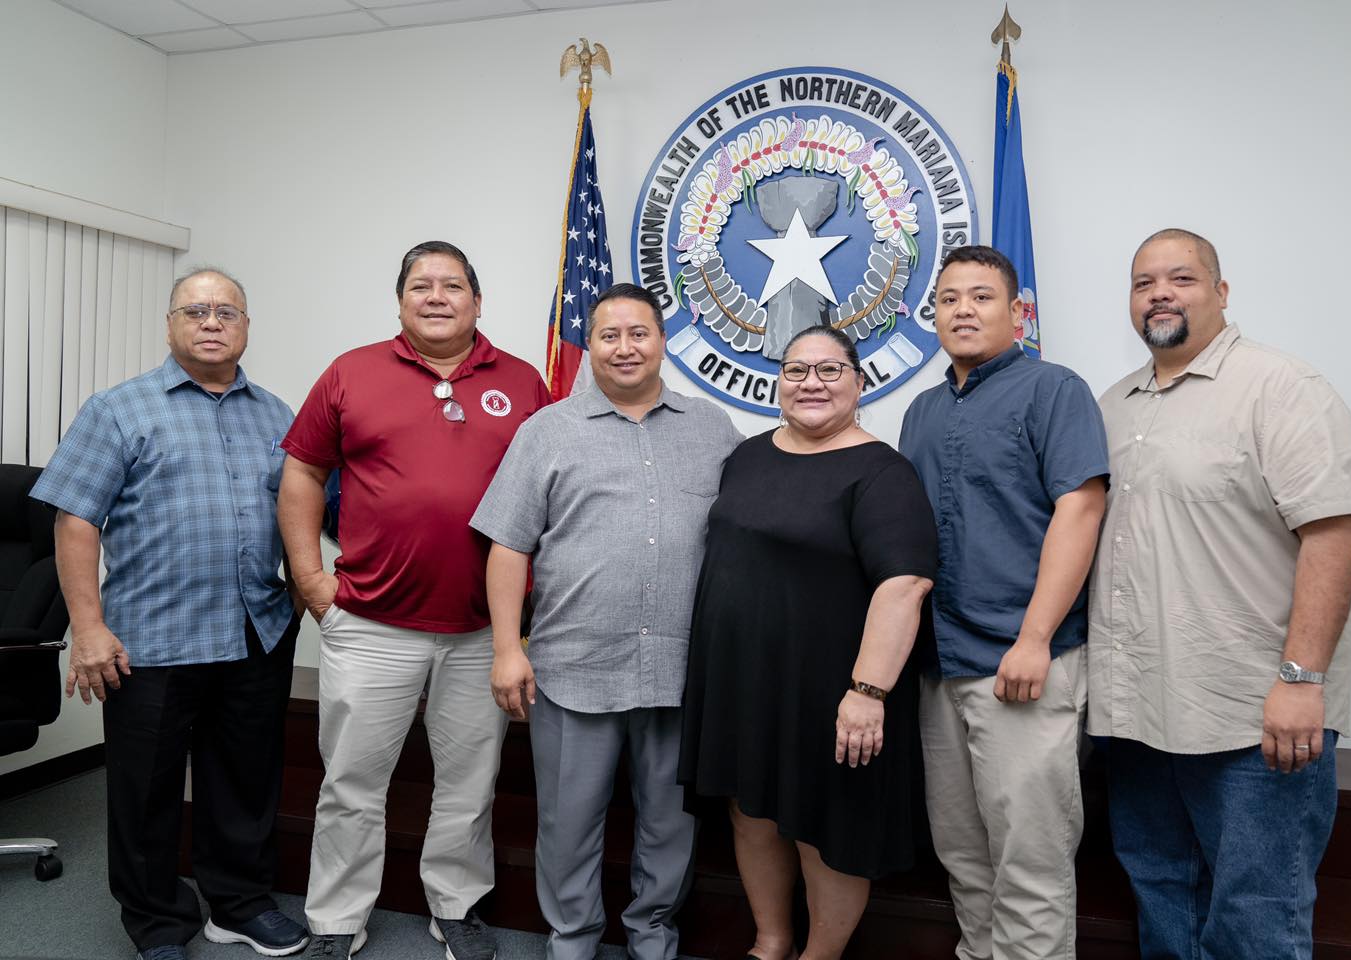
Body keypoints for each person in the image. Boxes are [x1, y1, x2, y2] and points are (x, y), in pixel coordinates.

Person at [1090, 228, 1351, 958]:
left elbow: (1335, 533)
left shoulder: (1281, 388)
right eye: (1143, 282)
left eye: (1182, 279)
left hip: (1251, 719)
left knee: (1256, 919)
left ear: (1221, 294)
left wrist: (1301, 679)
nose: (1160, 293)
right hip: (1138, 713)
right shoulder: (1112, 406)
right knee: (1162, 897)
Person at [278, 241, 548, 960]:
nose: (436, 296)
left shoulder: (522, 382)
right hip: (369, 622)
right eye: (420, 285)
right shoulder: (350, 372)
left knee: (469, 782)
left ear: (478, 300)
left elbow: (549, 496)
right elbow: (303, 472)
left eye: (452, 285)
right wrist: (312, 583)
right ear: (400, 301)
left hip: (480, 632)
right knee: (351, 783)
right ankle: (336, 918)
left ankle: (455, 907)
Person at [31, 268, 307, 960]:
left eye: (226, 311)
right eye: (196, 310)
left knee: (244, 783)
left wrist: (305, 582)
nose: (211, 321)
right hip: (149, 639)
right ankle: (156, 921)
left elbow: (306, 510)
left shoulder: (280, 415)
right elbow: (74, 523)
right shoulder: (118, 410)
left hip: (254, 632)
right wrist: (88, 629)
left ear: (246, 326)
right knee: (146, 791)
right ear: (170, 324)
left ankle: (240, 903)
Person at [472, 283, 741, 960]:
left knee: (671, 825)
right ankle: (574, 937)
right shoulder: (546, 431)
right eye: (609, 335)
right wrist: (508, 649)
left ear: (661, 340)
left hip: (681, 672)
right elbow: (507, 545)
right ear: (588, 345)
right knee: (568, 823)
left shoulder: (711, 429)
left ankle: (653, 933)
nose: (625, 347)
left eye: (639, 333)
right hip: (573, 666)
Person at [679, 324, 937, 960]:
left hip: (834, 692)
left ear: (858, 381)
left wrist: (867, 691)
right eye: (796, 371)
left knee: (826, 830)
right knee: (752, 812)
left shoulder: (882, 471)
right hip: (746, 682)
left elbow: (904, 586)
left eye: (829, 371)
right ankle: (771, 943)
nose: (810, 384)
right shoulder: (748, 455)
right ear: (778, 383)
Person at [899, 245, 1109, 960]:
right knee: (963, 855)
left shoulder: (1055, 391)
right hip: (940, 664)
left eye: (982, 296)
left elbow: (1080, 512)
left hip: (1021, 663)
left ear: (1017, 312)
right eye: (949, 297)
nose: (963, 309)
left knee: (1031, 864)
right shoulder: (922, 411)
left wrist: (1036, 638)